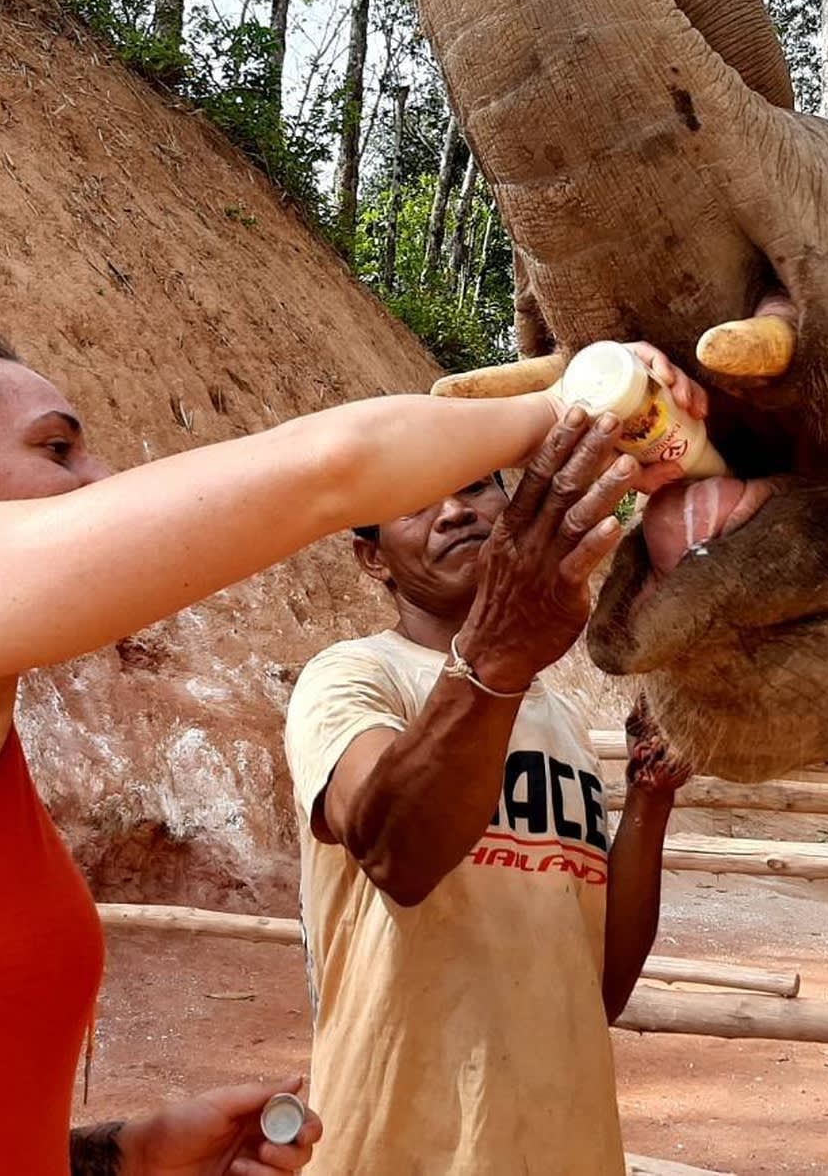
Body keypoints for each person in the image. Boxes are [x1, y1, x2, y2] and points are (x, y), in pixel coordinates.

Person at [0, 293, 696, 1175]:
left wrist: (118, 1155)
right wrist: (587, 407)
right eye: (57, 448)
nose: (101, 479)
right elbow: (330, 472)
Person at [282, 451, 700, 1173]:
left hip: (564, 1149)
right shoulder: (353, 678)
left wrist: (650, 796)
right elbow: (398, 855)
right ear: (372, 559)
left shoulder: (563, 724)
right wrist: (498, 653)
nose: (454, 511)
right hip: (400, 1151)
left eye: (475, 486)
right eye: (414, 502)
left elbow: (599, 989)